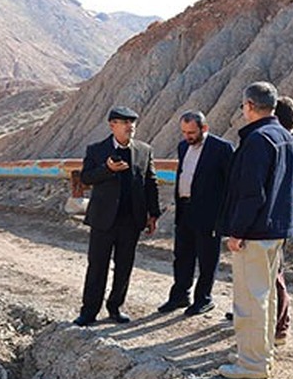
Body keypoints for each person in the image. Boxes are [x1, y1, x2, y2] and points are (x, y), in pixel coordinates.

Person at [219, 82, 293, 379]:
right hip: (277, 229)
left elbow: (251, 193)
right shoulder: (288, 138)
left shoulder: (257, 140)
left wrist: (237, 231)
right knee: (265, 297)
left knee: (250, 300)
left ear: (249, 106)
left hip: (254, 231)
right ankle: (258, 353)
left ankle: (251, 365)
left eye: (243, 107)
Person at [73, 106, 161, 326]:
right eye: (125, 122)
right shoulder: (96, 150)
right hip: (103, 220)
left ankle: (115, 307)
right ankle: (89, 311)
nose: (130, 126)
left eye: (133, 122)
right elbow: (86, 178)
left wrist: (153, 214)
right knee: (97, 266)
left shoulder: (144, 150)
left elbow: (151, 183)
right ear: (112, 125)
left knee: (124, 267)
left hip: (131, 220)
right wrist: (108, 169)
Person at [157, 110, 234, 316]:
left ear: (204, 128)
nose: (187, 136)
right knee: (182, 256)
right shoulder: (183, 147)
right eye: (184, 132)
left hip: (209, 214)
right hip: (185, 210)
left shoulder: (222, 149)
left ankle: (204, 299)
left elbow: (231, 185)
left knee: (207, 259)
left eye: (191, 132)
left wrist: (224, 218)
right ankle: (180, 296)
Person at [273, 95, 293, 346]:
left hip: (276, 218)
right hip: (282, 216)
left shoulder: (284, 143)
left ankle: (279, 325)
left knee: (275, 274)